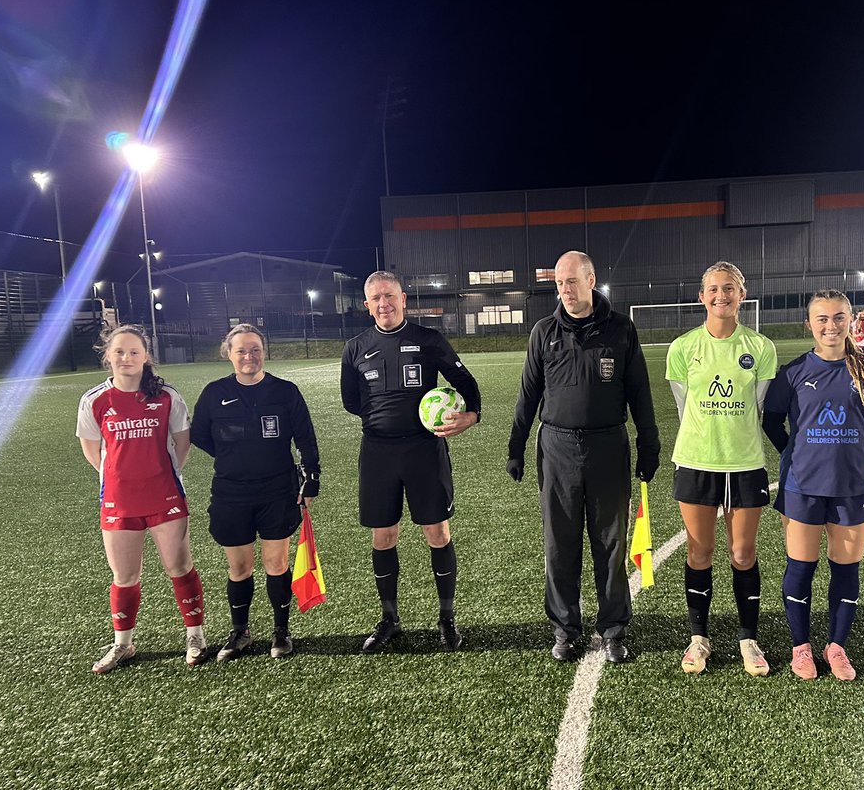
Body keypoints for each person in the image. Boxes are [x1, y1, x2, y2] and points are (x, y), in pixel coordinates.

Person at [507, 250, 659, 664]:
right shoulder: (544, 332)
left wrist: (649, 443)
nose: (565, 290)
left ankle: (613, 629)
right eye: (559, 283)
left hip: (609, 446)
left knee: (610, 543)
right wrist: (515, 446)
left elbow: (640, 393)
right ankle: (565, 629)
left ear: (591, 281)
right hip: (556, 449)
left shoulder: (622, 330)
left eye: (571, 281)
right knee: (560, 543)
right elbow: (528, 395)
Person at [341, 271, 481, 653]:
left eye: (389, 296)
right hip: (378, 454)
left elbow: (465, 383)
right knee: (383, 536)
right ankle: (390, 619)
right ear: (367, 306)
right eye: (375, 298)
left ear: (403, 298)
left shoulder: (428, 340)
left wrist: (472, 415)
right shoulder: (355, 348)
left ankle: (447, 620)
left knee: (437, 533)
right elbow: (352, 402)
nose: (383, 303)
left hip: (424, 450)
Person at [762, 290, 864, 681]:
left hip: (852, 487)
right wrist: (795, 453)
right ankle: (800, 647)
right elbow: (772, 421)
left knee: (846, 569)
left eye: (838, 317)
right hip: (802, 485)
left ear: (850, 321)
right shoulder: (793, 372)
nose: (831, 326)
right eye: (822, 319)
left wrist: (852, 450)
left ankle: (837, 646)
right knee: (800, 567)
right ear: (810, 325)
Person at [664, 261, 778, 676]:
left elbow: (760, 408)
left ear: (741, 295)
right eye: (713, 289)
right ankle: (699, 638)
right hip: (696, 461)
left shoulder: (761, 348)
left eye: (728, 289)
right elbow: (682, 407)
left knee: (743, 553)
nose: (720, 296)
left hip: (745, 463)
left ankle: (749, 638)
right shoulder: (683, 348)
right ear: (701, 296)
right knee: (700, 551)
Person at [76, 324, 207, 674]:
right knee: (124, 575)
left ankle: (195, 636)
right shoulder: (94, 401)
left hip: (164, 496)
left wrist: (162, 473)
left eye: (134, 351)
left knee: (178, 567)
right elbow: (92, 450)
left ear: (145, 356)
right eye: (119, 351)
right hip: (119, 500)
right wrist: (118, 477)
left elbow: (182, 443)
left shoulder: (166, 396)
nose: (126, 358)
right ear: (108, 356)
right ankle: (123, 644)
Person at [190, 324, 321, 662]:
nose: (249, 356)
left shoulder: (285, 391)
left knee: (275, 562)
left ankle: (281, 631)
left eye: (255, 349)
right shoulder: (214, 392)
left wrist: (311, 477)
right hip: (231, 492)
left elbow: (305, 438)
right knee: (239, 568)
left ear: (264, 351)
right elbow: (200, 435)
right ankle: (240, 632)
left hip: (278, 489)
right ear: (229, 354)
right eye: (241, 351)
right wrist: (233, 456)